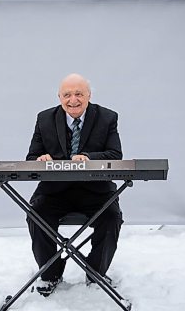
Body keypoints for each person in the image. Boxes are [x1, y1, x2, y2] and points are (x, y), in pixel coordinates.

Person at [26, 73, 124, 296]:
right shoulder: (44, 119)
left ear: (89, 95)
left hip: (96, 190)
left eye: (79, 94)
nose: (73, 100)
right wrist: (41, 160)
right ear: (59, 97)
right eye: (67, 95)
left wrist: (89, 157)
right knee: (36, 214)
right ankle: (50, 274)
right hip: (54, 192)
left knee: (111, 217)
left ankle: (96, 273)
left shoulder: (107, 117)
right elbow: (32, 157)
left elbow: (115, 155)